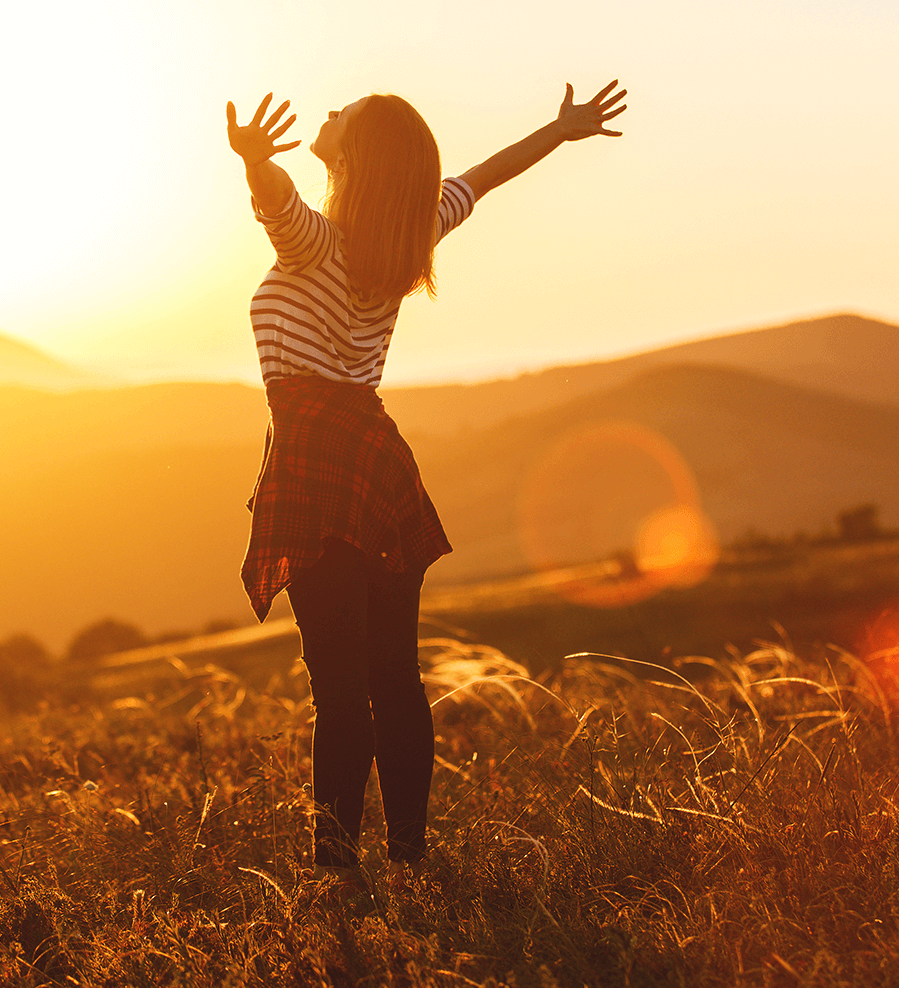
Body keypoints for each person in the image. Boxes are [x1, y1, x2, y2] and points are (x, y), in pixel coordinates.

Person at [225, 80, 628, 903]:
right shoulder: (412, 231)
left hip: (315, 464)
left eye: (342, 114)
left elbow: (279, 209)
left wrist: (257, 165)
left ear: (355, 153)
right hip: (377, 464)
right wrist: (557, 130)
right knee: (392, 677)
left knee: (338, 688)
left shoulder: (316, 245)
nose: (328, 113)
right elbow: (487, 174)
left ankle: (339, 875)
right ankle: (408, 859)